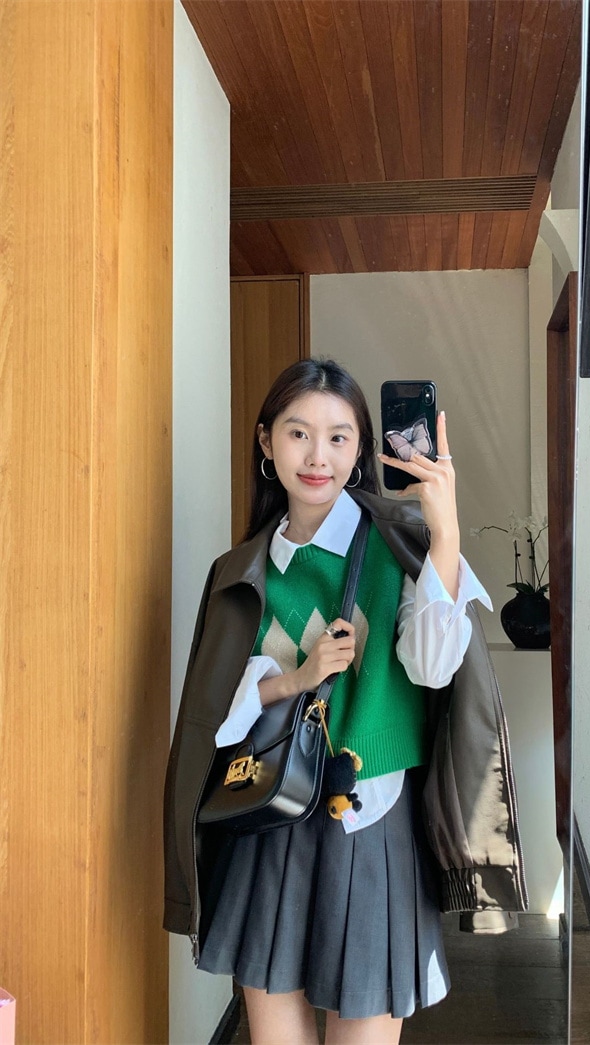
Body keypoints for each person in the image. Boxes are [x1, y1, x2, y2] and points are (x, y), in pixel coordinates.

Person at [163, 359, 527, 1045]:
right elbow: (216, 715)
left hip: (372, 820)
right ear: (267, 441)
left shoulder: (398, 545)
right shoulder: (239, 570)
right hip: (269, 819)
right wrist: (295, 679)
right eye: (298, 433)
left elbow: (433, 666)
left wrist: (446, 533)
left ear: (362, 449)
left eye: (338, 437)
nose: (317, 456)